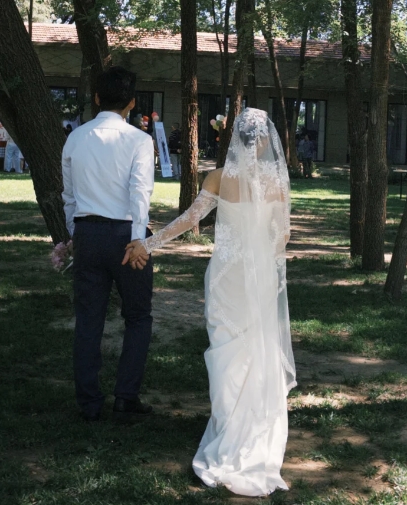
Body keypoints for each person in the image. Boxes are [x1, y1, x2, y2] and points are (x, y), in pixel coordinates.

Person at [125, 108, 296, 497]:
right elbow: (282, 237)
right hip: (260, 277)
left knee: (225, 348)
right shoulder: (278, 182)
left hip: (226, 278)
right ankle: (252, 428)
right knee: (256, 348)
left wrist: (148, 244)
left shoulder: (219, 177)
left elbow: (189, 221)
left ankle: (227, 424)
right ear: (266, 142)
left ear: (233, 137)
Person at [61, 66, 155, 423]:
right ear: (132, 103)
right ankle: (126, 396)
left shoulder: (75, 137)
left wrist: (74, 234)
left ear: (97, 97)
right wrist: (138, 239)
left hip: (87, 232)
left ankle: (88, 402)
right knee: (138, 316)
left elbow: (69, 196)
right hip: (126, 235)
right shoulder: (139, 140)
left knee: (88, 319)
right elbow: (140, 192)